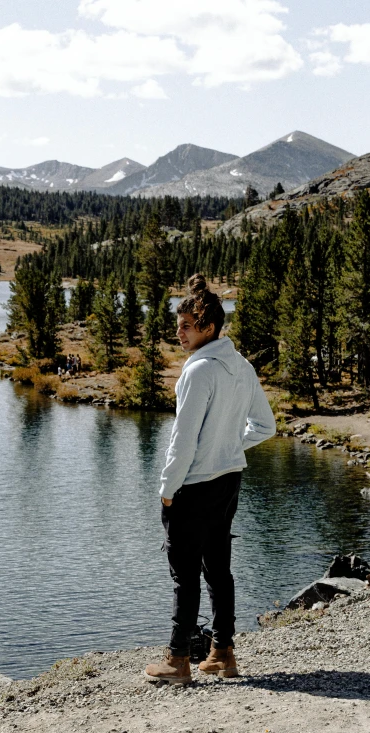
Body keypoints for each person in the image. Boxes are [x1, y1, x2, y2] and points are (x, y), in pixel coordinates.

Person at [145, 274, 276, 685]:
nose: (178, 333)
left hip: (194, 486)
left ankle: (178, 660)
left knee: (185, 576)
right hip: (228, 481)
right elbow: (266, 426)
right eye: (178, 325)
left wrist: (167, 490)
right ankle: (222, 653)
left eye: (186, 326)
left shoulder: (198, 371)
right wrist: (228, 447)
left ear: (208, 327)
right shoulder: (241, 366)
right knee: (218, 569)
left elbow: (182, 441)